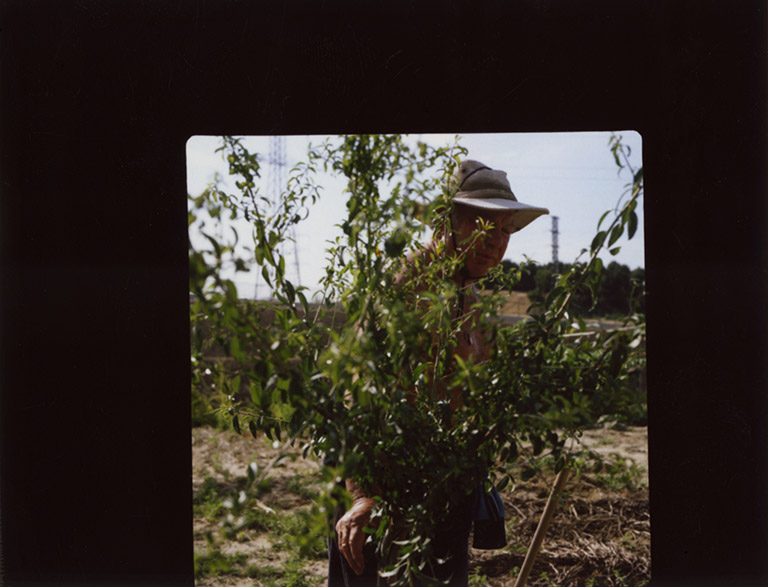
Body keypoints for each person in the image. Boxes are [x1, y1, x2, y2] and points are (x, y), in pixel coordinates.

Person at [328, 160, 549, 586]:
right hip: (383, 494)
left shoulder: (476, 302)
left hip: (445, 493)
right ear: (445, 222)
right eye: (483, 225)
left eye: (505, 230)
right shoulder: (403, 290)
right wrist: (362, 495)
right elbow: (357, 393)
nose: (496, 242)